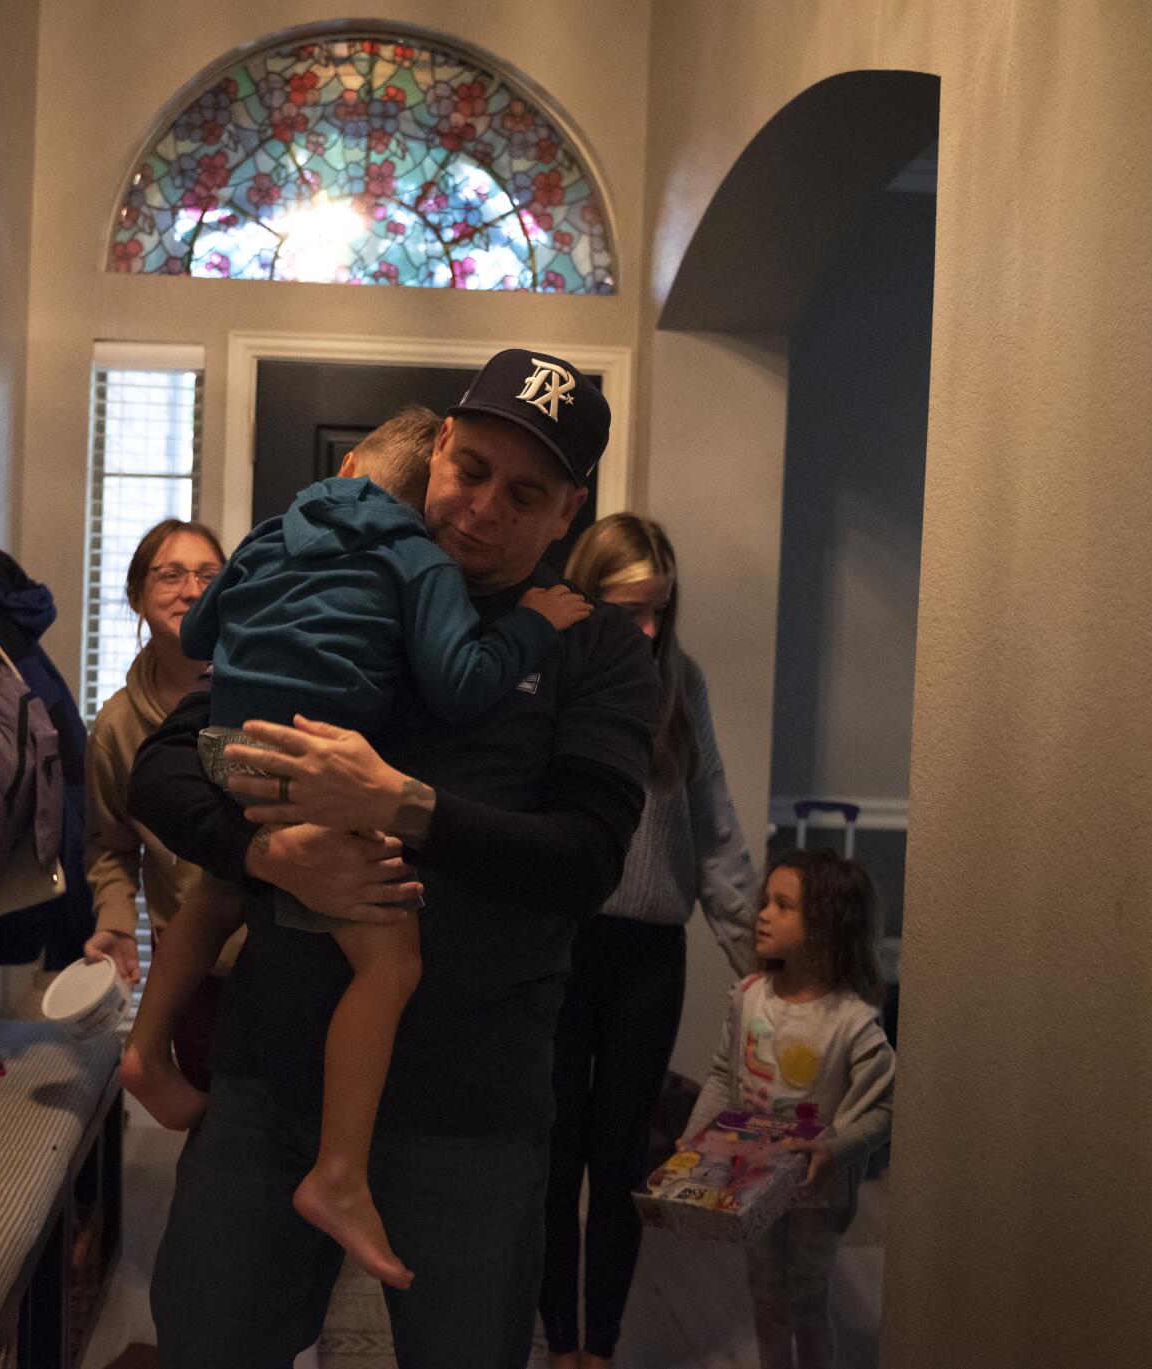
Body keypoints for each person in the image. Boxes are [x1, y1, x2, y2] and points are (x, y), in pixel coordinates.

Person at [130, 349, 660, 1369]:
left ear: (566, 512)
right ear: (434, 455)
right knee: (208, 1343)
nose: (481, 509)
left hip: (471, 1112)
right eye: (468, 469)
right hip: (266, 1084)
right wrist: (265, 852)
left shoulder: (590, 649)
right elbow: (160, 767)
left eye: (525, 492)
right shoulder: (342, 581)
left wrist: (401, 805)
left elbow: (584, 861)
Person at [541, 513, 763, 1369]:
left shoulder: (682, 682)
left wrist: (764, 970)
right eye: (627, 607)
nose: (646, 628)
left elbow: (716, 833)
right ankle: (558, 1337)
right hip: (561, 944)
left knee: (624, 1151)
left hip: (647, 959)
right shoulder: (550, 671)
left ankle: (601, 1343)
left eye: (659, 610)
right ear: (584, 597)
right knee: (555, 1150)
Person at [686, 847, 896, 1369]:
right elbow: (720, 1074)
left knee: (806, 1300)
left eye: (783, 905)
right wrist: (693, 1144)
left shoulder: (852, 1023)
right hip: (751, 1184)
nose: (763, 914)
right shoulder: (749, 997)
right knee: (764, 1296)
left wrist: (832, 1148)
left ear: (826, 926)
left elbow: (884, 1109)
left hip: (815, 1198)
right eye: (765, 901)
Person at [81, 518, 235, 1091]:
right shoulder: (118, 727)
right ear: (137, 597)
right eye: (169, 575)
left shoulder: (270, 686)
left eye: (208, 576)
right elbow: (110, 845)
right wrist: (116, 922)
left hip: (285, 953)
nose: (191, 590)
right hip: (193, 968)